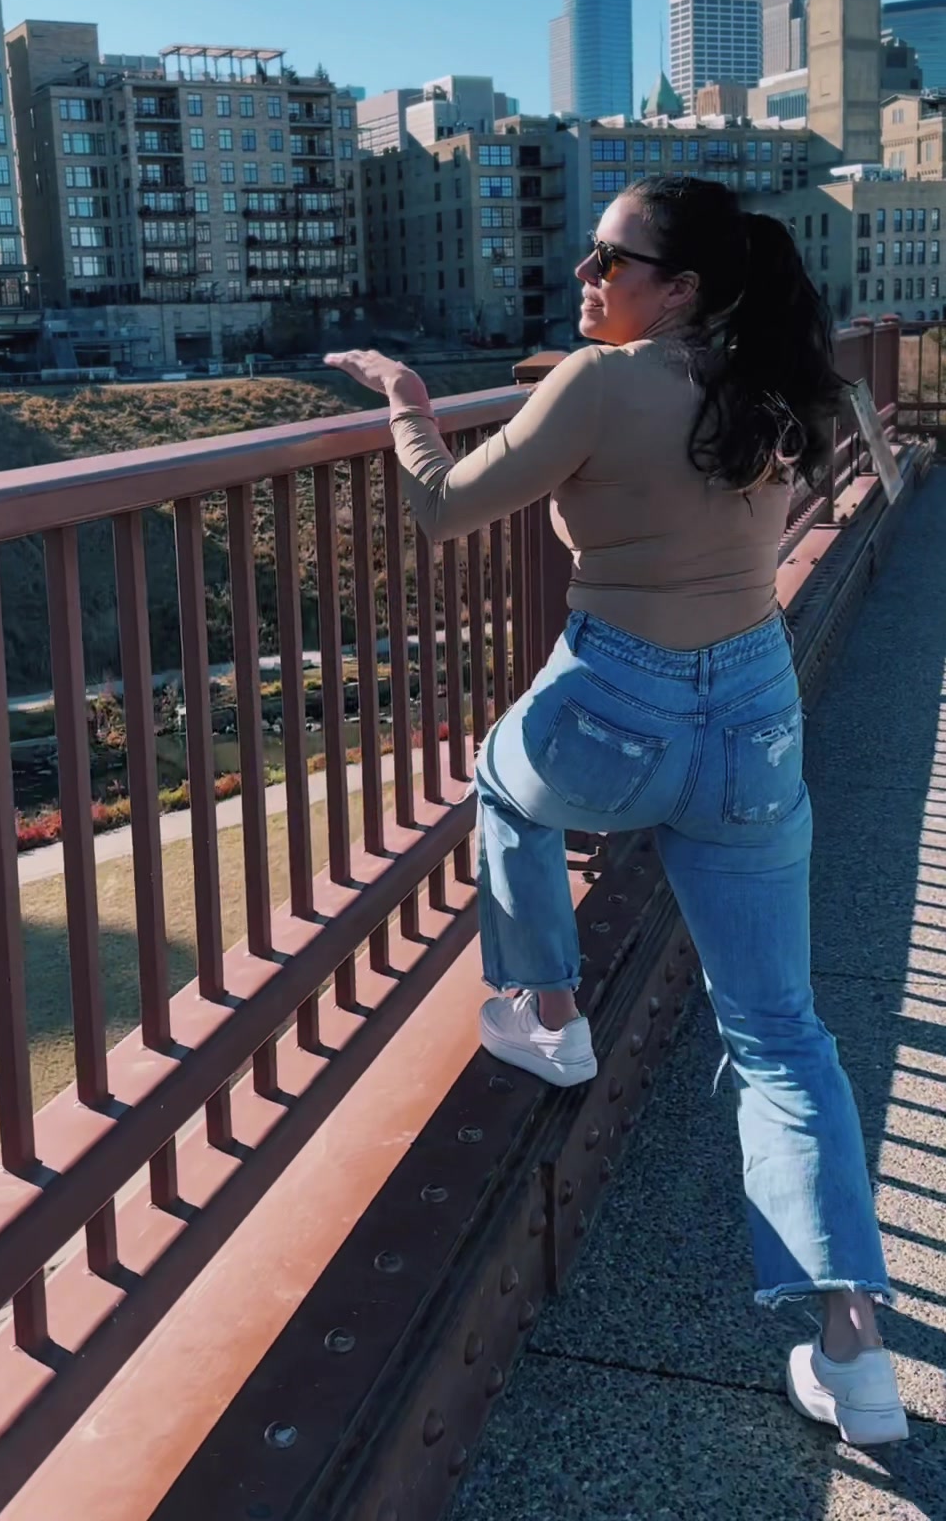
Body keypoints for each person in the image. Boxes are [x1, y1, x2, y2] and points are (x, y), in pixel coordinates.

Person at [326, 175, 907, 1449]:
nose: (586, 277)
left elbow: (443, 506)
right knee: (780, 1031)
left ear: (680, 288)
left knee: (502, 776)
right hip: (754, 712)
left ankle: (548, 1013)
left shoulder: (598, 385)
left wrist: (408, 404)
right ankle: (855, 1352)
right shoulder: (778, 381)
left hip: (614, 710)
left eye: (611, 260)